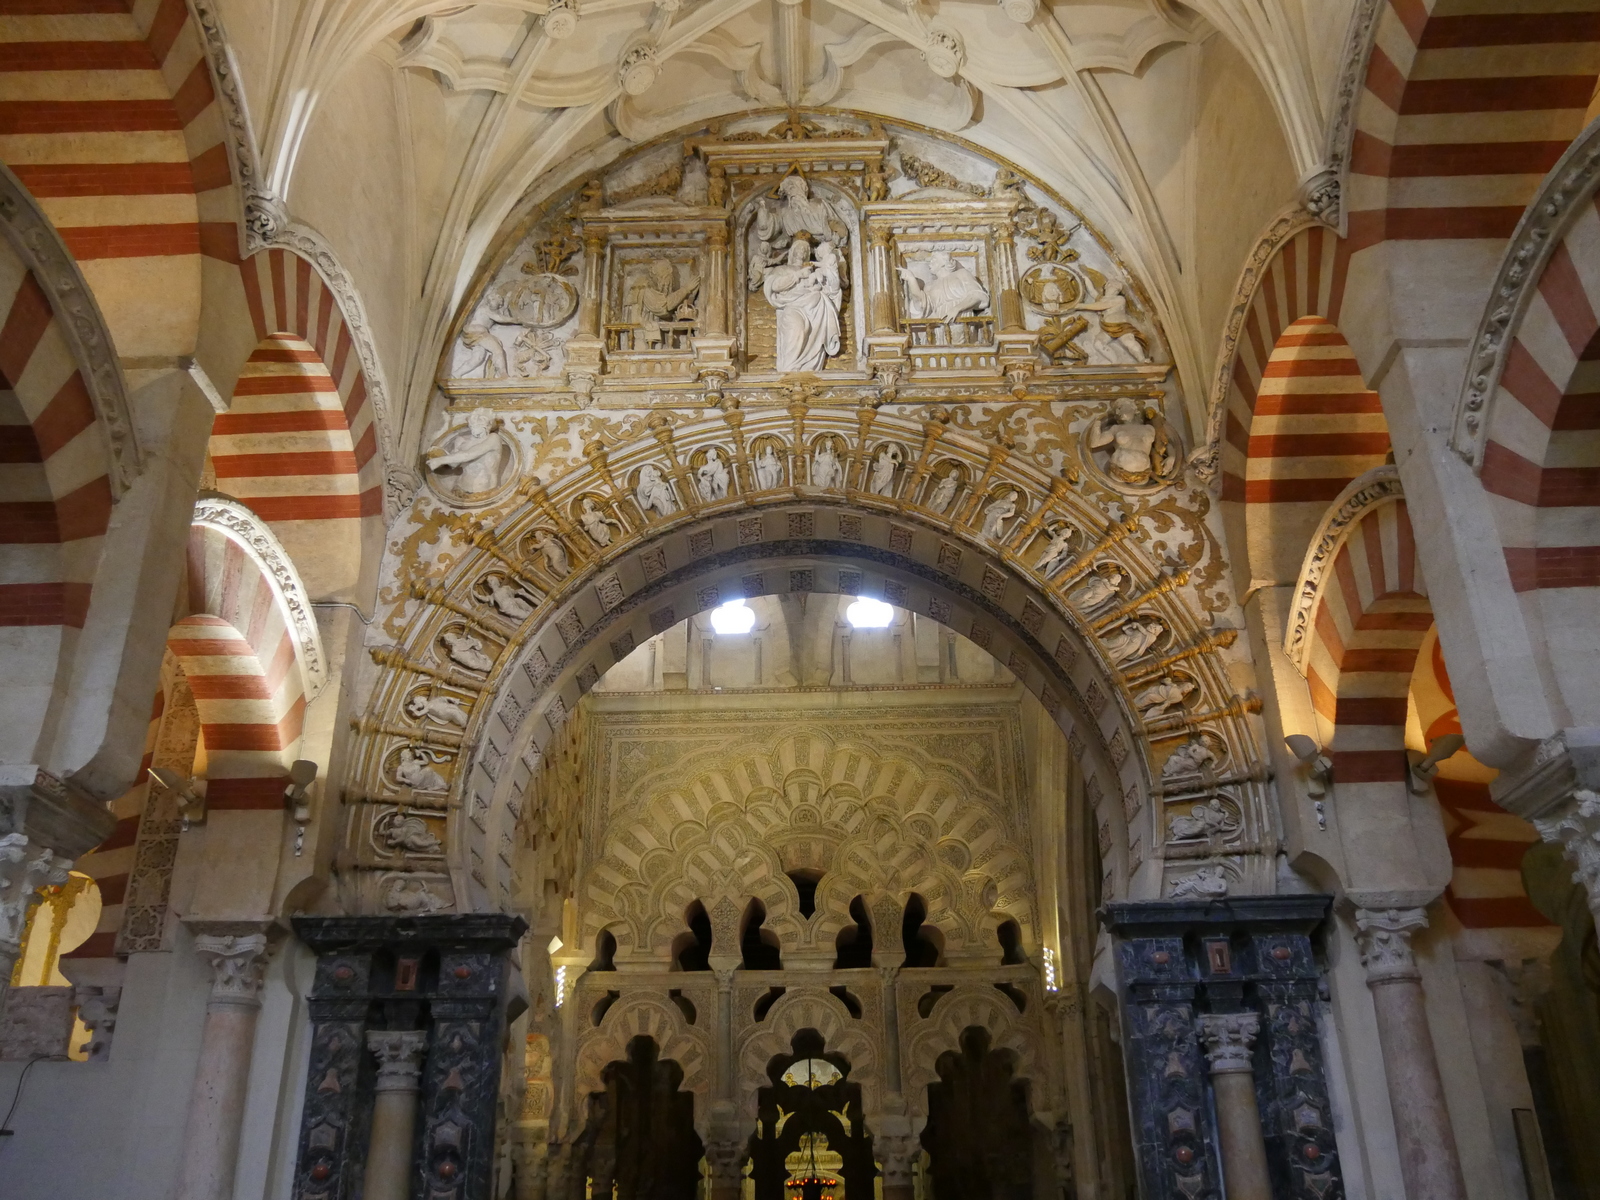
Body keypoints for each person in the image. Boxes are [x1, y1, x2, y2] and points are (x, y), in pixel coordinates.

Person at [764, 239, 841, 373]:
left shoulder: (813, 270)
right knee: (796, 328)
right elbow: (775, 285)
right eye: (799, 248)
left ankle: (809, 366)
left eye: (805, 250)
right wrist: (798, 275)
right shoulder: (782, 269)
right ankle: (790, 368)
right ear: (792, 251)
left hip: (815, 308)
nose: (802, 251)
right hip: (793, 306)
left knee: (813, 335)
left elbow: (829, 287)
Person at [427, 409, 506, 496]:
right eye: (474, 426)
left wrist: (440, 460)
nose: (477, 429)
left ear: (489, 426)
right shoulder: (461, 440)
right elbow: (454, 464)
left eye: (482, 426)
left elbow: (469, 454)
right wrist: (440, 454)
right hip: (460, 489)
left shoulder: (494, 439)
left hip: (486, 490)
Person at [899, 250, 989, 323]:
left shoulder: (962, 273)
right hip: (939, 320)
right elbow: (921, 303)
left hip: (961, 317)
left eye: (934, 260)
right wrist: (911, 279)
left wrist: (957, 308)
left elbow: (977, 295)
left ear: (943, 262)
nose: (930, 263)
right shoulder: (930, 286)